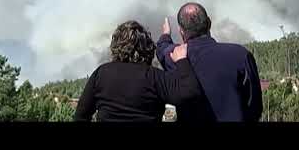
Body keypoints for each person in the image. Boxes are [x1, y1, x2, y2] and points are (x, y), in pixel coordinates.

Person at [74, 20, 203, 122]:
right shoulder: (154, 76)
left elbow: (81, 116)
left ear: (116, 46)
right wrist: (182, 60)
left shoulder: (101, 73)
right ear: (147, 47)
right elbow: (190, 93)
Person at [156, 2, 263, 122]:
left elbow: (162, 49)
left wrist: (166, 34)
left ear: (181, 31)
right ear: (209, 23)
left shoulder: (177, 57)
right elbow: (255, 107)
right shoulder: (240, 55)